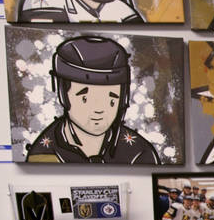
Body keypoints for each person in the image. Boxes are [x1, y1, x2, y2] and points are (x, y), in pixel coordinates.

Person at [26, 36, 159, 163]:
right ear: (63, 94)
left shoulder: (138, 153)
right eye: (85, 99)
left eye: (111, 100)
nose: (99, 110)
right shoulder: (44, 152)